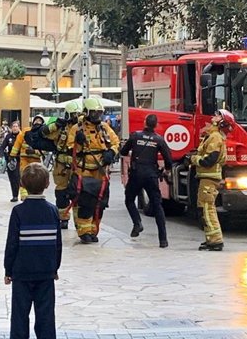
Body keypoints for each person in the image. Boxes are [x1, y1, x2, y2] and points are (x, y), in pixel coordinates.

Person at [3, 163, 62, 339]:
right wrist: (55, 267)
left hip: (22, 272)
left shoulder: (18, 212)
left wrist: (8, 270)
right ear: (47, 184)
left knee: (20, 314)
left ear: (22, 184)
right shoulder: (53, 211)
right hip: (46, 272)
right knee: (46, 315)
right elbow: (57, 244)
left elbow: (12, 243)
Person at [67, 97, 120, 244]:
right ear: (87, 112)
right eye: (94, 113)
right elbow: (70, 149)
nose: (97, 116)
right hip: (83, 171)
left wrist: (111, 152)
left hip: (101, 171)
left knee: (100, 203)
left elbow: (116, 142)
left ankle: (93, 230)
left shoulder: (104, 127)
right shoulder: (76, 129)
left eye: (99, 113)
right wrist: (78, 141)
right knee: (84, 202)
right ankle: (84, 232)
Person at [120, 114, 173, 248]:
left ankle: (137, 222)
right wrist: (166, 170)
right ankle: (163, 240)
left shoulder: (135, 136)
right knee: (157, 205)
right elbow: (168, 158)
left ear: (144, 123)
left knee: (129, 199)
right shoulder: (159, 140)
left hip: (136, 174)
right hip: (151, 175)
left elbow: (123, 151)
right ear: (156, 125)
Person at [188, 109, 234, 251]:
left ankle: (215, 241)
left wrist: (193, 159)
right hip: (207, 178)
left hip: (209, 179)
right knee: (205, 209)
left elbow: (209, 160)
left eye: (217, 115)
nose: (213, 116)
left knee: (208, 209)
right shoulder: (212, 136)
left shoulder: (215, 137)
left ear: (221, 122)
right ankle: (210, 239)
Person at [40, 101, 81, 229]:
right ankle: (63, 218)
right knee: (61, 193)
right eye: (73, 114)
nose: (76, 117)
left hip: (77, 164)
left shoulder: (83, 128)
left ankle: (79, 221)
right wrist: (56, 124)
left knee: (78, 193)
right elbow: (44, 133)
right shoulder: (61, 128)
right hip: (61, 165)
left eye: (78, 114)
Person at [9, 115, 45, 200]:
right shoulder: (26, 131)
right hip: (24, 159)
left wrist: (34, 151)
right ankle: (24, 196)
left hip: (36, 160)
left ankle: (34, 194)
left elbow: (45, 149)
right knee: (23, 176)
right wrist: (12, 155)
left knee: (36, 177)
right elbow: (18, 143)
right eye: (36, 120)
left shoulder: (43, 134)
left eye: (40, 121)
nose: (37, 122)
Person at [0, 121, 22, 202]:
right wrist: (0, 154)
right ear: (11, 128)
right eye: (13, 126)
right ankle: (14, 195)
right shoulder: (9, 136)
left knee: (17, 177)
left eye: (16, 126)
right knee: (12, 178)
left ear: (19, 127)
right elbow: (3, 146)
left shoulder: (22, 136)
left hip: (20, 159)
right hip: (10, 160)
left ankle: (21, 195)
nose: (15, 128)